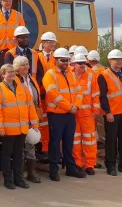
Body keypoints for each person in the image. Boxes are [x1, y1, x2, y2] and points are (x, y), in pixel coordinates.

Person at [0, 64, 39, 189]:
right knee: (6, 154)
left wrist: (35, 123)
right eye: (8, 72)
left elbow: (30, 107)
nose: (11, 74)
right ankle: (8, 180)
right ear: (2, 75)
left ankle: (18, 179)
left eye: (13, 72)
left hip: (22, 129)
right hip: (7, 130)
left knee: (19, 154)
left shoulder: (23, 88)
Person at [42, 48, 86, 181]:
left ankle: (70, 169)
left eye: (67, 60)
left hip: (70, 114)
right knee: (55, 143)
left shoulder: (71, 74)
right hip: (56, 115)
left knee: (68, 142)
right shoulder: (50, 75)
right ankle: (53, 170)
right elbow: (53, 94)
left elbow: (79, 91)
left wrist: (76, 106)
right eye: (63, 60)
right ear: (56, 60)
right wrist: (69, 107)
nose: (65, 63)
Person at [13, 56, 43, 183]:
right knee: (20, 146)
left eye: (26, 64)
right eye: (22, 65)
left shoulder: (31, 79)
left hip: (32, 114)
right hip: (19, 116)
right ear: (16, 68)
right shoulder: (13, 80)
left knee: (31, 143)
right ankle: (20, 173)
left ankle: (31, 172)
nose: (25, 66)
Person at [0, 0, 25, 82]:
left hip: (14, 50)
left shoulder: (18, 15)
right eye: (6, 1)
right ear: (1, 2)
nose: (8, 3)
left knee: (14, 72)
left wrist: (20, 47)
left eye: (10, 1)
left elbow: (22, 32)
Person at [72, 53, 99, 175]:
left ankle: (89, 164)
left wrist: (95, 110)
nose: (83, 66)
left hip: (87, 114)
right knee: (75, 140)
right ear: (74, 64)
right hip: (73, 114)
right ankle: (78, 163)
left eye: (84, 63)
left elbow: (95, 94)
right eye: (80, 63)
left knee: (90, 140)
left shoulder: (90, 76)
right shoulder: (69, 75)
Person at [98, 49, 122, 176]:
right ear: (109, 61)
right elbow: (103, 96)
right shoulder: (104, 75)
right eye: (116, 59)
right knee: (111, 140)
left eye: (120, 59)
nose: (119, 61)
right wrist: (107, 112)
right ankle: (110, 165)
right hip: (112, 114)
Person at [37, 31, 57, 155]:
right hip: (42, 94)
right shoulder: (36, 56)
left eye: (53, 42)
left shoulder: (57, 57)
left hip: (54, 95)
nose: (52, 45)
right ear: (43, 43)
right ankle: (44, 148)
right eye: (49, 42)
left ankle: (55, 150)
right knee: (43, 122)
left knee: (54, 123)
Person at [88, 50, 106, 149]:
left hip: (97, 99)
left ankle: (102, 140)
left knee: (99, 121)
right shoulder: (104, 69)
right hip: (106, 99)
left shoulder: (93, 72)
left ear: (89, 60)